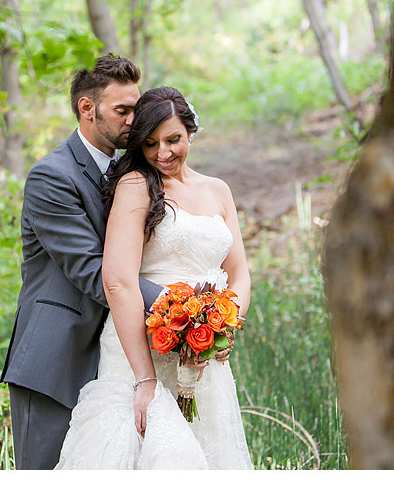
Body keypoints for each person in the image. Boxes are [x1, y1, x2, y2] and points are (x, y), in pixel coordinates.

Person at [55, 86, 253, 469]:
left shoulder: (218, 190)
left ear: (191, 132)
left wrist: (224, 327)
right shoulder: (135, 187)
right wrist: (145, 379)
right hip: (144, 348)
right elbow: (118, 282)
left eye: (173, 139)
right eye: (150, 143)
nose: (163, 153)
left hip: (205, 353)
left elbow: (239, 272)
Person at [0, 54, 164, 470]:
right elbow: (95, 272)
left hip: (118, 361)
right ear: (86, 109)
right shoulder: (51, 177)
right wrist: (179, 303)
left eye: (136, 109)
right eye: (122, 111)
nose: (133, 120)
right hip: (57, 360)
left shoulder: (140, 173)